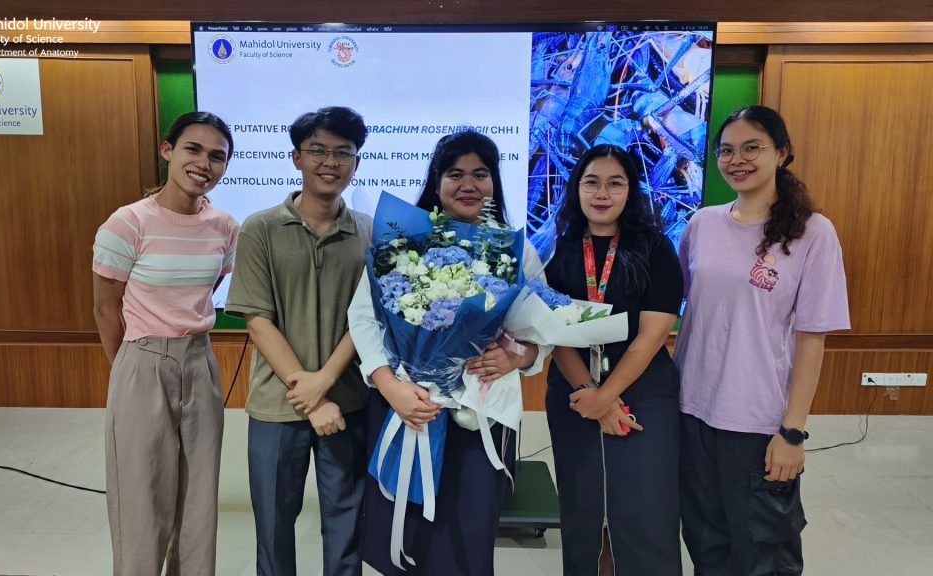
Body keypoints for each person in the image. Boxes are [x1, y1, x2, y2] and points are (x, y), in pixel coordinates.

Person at [348, 129, 550, 575]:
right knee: (406, 533)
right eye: (455, 174)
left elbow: (542, 329)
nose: (468, 184)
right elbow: (363, 318)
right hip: (409, 406)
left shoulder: (516, 250)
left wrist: (519, 357)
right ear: (436, 182)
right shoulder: (403, 244)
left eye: (480, 174)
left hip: (482, 415)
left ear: (494, 182)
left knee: (467, 537)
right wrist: (391, 386)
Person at [674, 105, 850, 576]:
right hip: (691, 411)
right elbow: (680, 309)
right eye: (726, 150)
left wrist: (792, 433)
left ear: (782, 153)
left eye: (752, 147)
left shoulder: (813, 233)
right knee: (706, 543)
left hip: (756, 422)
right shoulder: (701, 224)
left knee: (764, 552)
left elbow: (812, 339)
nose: (737, 160)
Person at [224, 106, 371, 576]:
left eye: (343, 153)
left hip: (347, 402)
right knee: (273, 525)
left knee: (347, 524)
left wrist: (324, 384)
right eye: (317, 150)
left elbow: (367, 321)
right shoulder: (260, 228)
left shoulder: (370, 232)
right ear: (296, 158)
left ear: (357, 162)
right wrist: (309, 392)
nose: (330, 162)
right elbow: (257, 319)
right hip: (277, 405)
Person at [92, 111, 239, 575]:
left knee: (199, 497)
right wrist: (130, 367)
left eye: (217, 156)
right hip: (142, 360)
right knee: (141, 496)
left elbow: (206, 290)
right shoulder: (127, 223)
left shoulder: (225, 227)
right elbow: (105, 309)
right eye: (193, 149)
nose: (204, 164)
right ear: (167, 151)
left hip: (200, 362)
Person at [544, 144, 684, 575]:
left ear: (630, 190)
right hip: (574, 395)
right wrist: (590, 393)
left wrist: (606, 398)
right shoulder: (558, 248)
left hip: (643, 392)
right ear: (576, 188)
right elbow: (553, 333)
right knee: (585, 506)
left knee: (643, 507)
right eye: (591, 182)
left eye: (615, 183)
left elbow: (652, 335)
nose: (602, 193)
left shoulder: (655, 248)